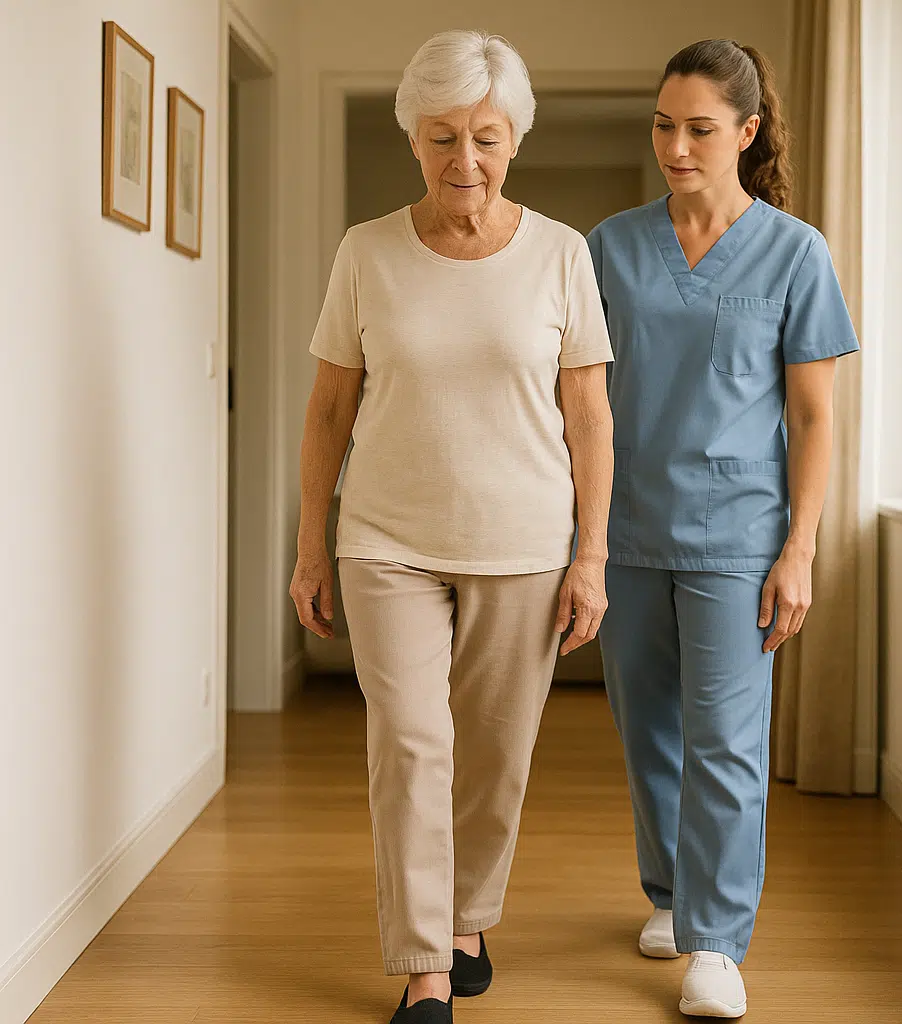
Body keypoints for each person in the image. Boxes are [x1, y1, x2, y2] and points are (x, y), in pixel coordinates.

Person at [289, 29, 614, 1024]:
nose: (462, 161)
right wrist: (311, 545)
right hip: (385, 536)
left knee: (496, 746)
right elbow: (329, 411)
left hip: (521, 541)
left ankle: (469, 913)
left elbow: (590, 417)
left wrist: (590, 555)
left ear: (512, 137)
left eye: (483, 136)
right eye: (440, 139)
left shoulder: (562, 255)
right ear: (412, 140)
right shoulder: (366, 252)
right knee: (412, 741)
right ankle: (428, 965)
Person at [587, 39, 859, 1018]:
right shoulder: (610, 247)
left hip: (741, 535)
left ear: (745, 133)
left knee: (728, 740)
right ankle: (669, 893)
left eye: (699, 128)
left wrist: (801, 548)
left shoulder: (794, 251)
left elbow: (817, 416)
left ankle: (715, 939)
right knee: (646, 728)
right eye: (663, 124)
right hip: (624, 528)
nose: (676, 144)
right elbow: (576, 394)